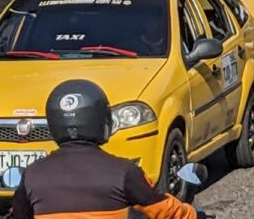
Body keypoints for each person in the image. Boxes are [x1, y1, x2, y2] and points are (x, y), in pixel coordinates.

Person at [11, 79, 202, 219]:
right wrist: (195, 215)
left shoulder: (31, 176)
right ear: (103, 121)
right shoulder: (124, 172)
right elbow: (165, 210)